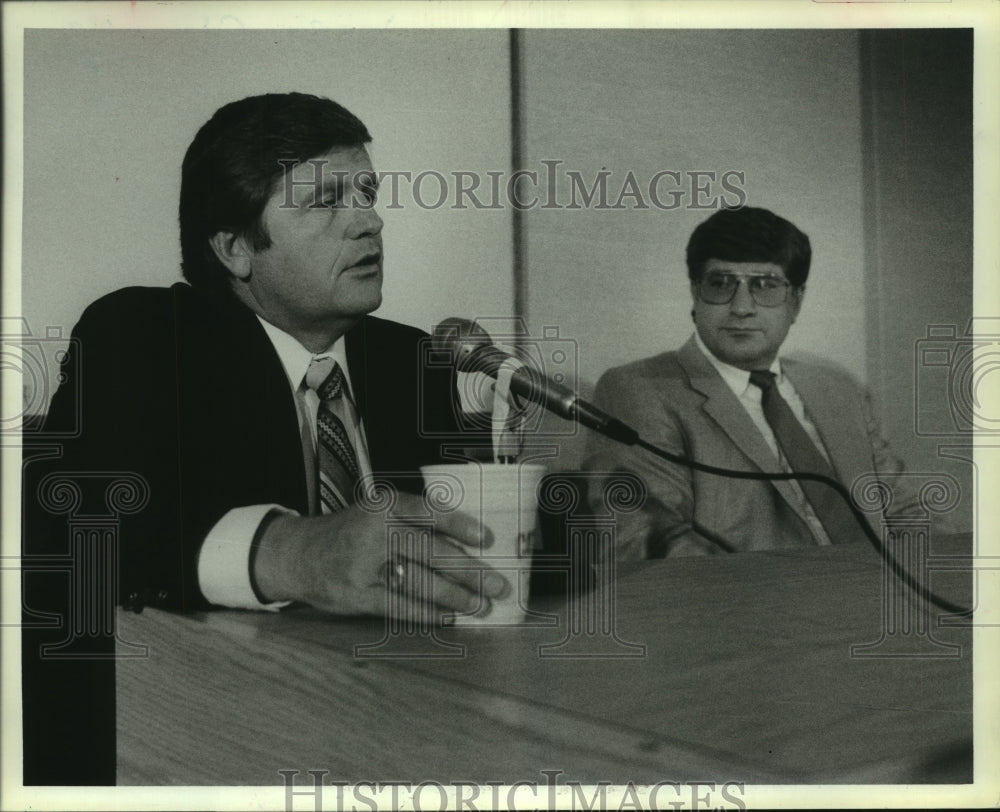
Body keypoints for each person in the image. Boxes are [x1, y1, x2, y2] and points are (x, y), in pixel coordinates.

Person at [21, 93, 507, 783]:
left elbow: (465, 545)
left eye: (366, 192)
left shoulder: (414, 360)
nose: (368, 220)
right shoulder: (145, 335)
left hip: (406, 715)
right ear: (236, 248)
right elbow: (76, 528)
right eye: (324, 200)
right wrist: (291, 553)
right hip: (206, 733)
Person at [582, 206, 917, 561]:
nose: (742, 307)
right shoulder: (639, 390)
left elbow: (909, 512)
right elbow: (646, 545)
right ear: (696, 295)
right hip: (750, 608)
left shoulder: (837, 388)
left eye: (766, 285)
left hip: (886, 598)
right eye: (721, 284)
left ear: (796, 303)